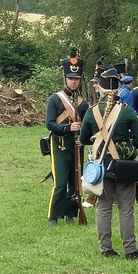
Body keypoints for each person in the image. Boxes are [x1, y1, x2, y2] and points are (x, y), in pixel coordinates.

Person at [80, 67, 138, 259]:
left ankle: (106, 249)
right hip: (123, 166)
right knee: (126, 209)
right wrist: (123, 145)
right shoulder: (126, 113)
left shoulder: (91, 112)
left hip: (101, 167)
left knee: (103, 207)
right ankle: (130, 250)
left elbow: (85, 138)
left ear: (100, 89)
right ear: (117, 90)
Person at [45, 48, 88, 226]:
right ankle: (53, 216)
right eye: (71, 78)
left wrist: (83, 137)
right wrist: (68, 127)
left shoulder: (83, 102)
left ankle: (71, 213)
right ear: (65, 79)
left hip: (77, 146)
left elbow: (88, 125)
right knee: (60, 183)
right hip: (60, 145)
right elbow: (50, 124)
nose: (73, 82)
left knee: (75, 183)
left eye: (76, 79)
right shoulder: (55, 100)